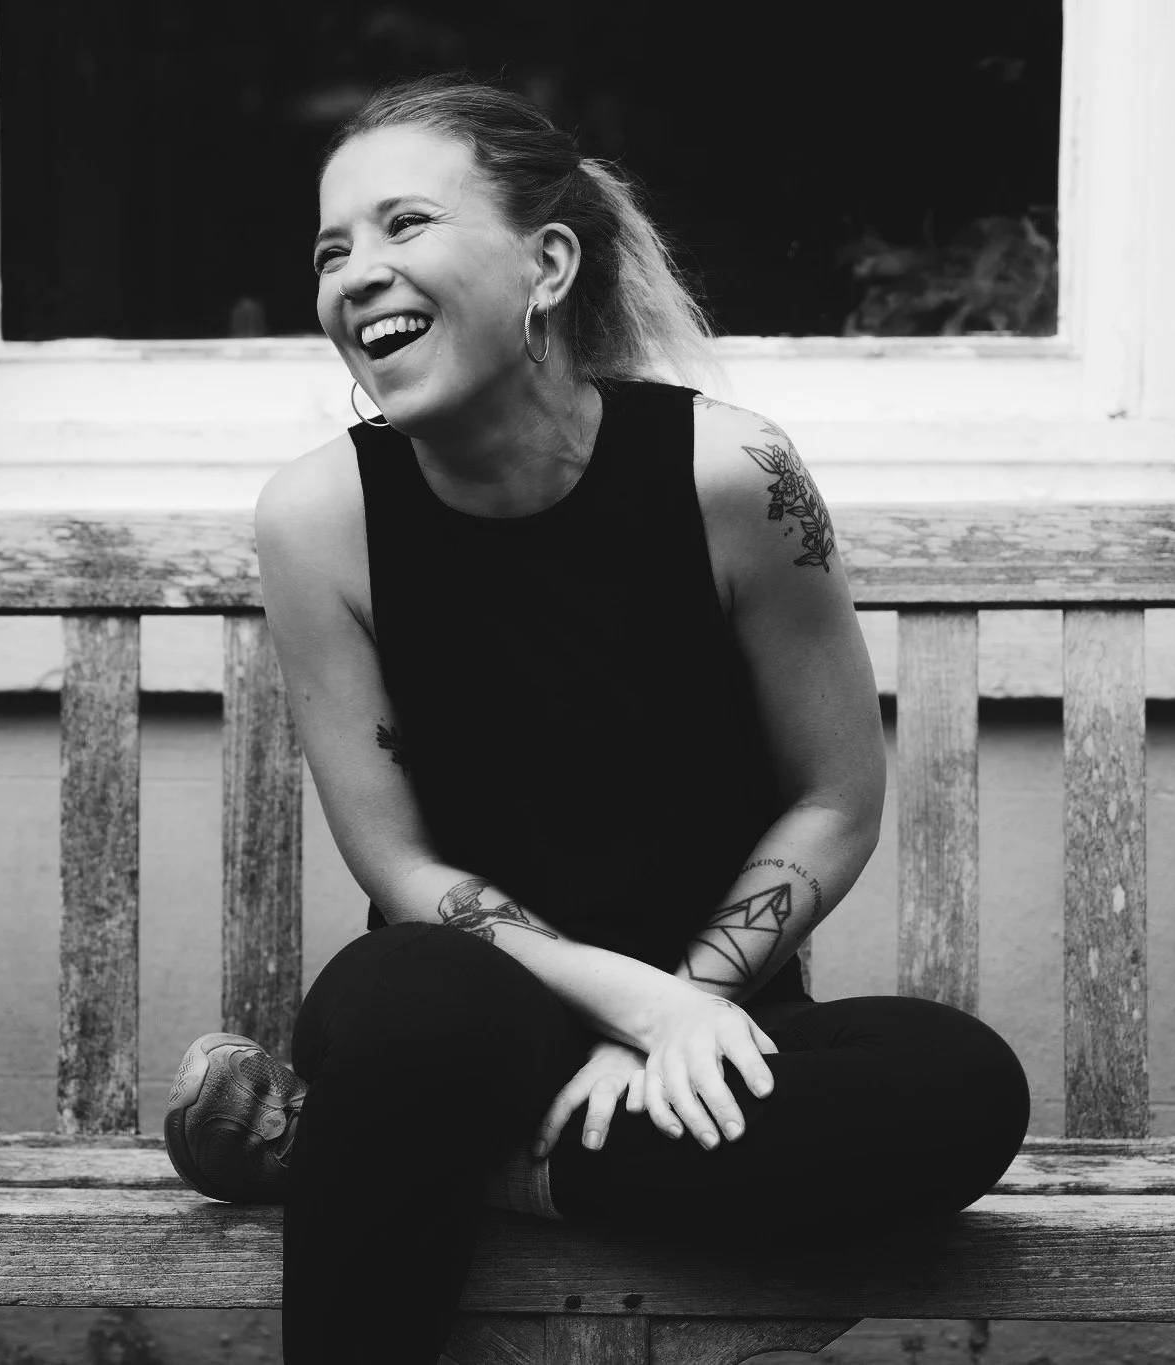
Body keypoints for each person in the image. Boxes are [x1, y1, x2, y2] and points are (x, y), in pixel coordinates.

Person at [163, 74, 1030, 1365]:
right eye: (331, 250)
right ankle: (416, 1133)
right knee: (421, 1014)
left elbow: (835, 793)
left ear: (549, 263)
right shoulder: (318, 518)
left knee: (958, 1087)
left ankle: (393, 1160)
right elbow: (403, 869)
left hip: (711, 1023)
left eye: (405, 226)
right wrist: (627, 1002)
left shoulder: (731, 474)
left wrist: (681, 1010)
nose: (357, 274)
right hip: (454, 1009)